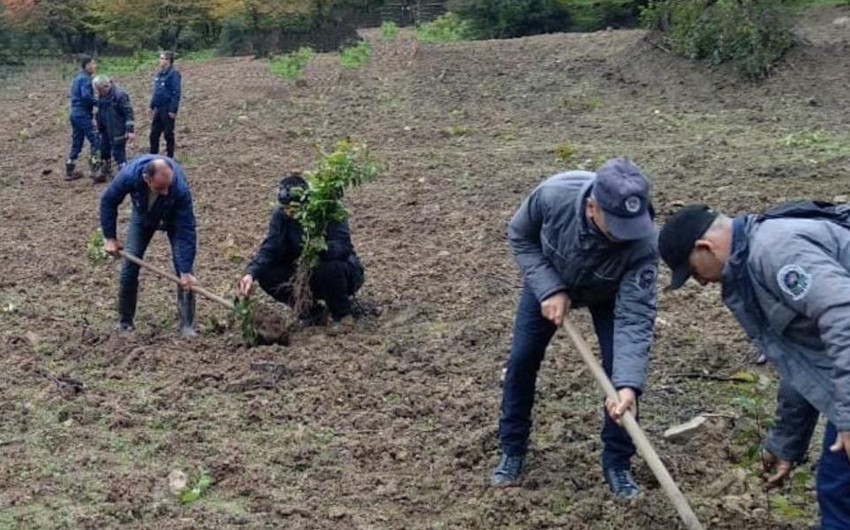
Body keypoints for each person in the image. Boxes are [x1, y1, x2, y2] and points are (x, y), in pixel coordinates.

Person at [658, 201, 850, 530]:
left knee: (840, 490)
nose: (701, 283)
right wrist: (787, 443)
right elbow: (802, 362)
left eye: (693, 272)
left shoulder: (775, 251)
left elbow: (844, 315)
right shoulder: (751, 269)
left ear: (704, 247)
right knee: (838, 489)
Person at [492, 158, 659, 499]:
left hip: (611, 296)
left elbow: (636, 316)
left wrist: (628, 384)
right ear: (591, 207)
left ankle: (618, 463)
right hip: (549, 277)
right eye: (616, 227)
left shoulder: (644, 242)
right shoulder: (553, 195)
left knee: (621, 379)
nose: (624, 237)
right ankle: (512, 448)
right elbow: (520, 236)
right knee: (522, 360)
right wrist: (549, 288)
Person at [236, 174, 365, 332]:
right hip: (305, 275)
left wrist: (321, 247)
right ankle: (312, 313)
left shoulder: (329, 210)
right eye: (285, 208)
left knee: (328, 266)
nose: (289, 212)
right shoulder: (281, 216)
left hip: (341, 275)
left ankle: (343, 315)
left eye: (293, 208)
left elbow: (343, 247)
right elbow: (270, 248)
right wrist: (251, 273)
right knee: (267, 273)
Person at [100, 155, 198, 337]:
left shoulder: (179, 189)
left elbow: (187, 229)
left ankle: (187, 325)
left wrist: (185, 271)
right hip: (143, 215)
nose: (166, 192)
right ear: (147, 179)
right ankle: (125, 322)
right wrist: (110, 237)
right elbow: (108, 201)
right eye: (161, 188)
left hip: (174, 217)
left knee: (185, 272)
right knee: (130, 266)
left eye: (168, 186)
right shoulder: (129, 175)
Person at [93, 75, 135, 183]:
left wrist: (130, 130)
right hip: (105, 129)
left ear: (106, 86)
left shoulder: (119, 95)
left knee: (118, 152)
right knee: (104, 150)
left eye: (99, 90)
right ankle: (104, 171)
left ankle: (124, 174)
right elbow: (100, 111)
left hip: (118, 130)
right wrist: (98, 123)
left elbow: (128, 113)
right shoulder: (102, 96)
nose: (98, 93)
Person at [66, 55, 101, 181]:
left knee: (77, 141)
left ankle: (70, 167)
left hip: (74, 113)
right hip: (83, 114)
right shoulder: (86, 79)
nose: (95, 66)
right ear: (87, 65)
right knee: (95, 140)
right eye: (93, 63)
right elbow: (86, 96)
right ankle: (96, 169)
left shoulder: (77, 78)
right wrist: (99, 102)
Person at [149, 51, 181, 158]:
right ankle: (153, 156)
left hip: (167, 108)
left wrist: (173, 110)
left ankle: (170, 156)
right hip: (158, 108)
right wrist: (152, 106)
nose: (160, 60)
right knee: (154, 134)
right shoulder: (159, 74)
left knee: (168, 134)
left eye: (162, 58)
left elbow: (176, 92)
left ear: (168, 61)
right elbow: (156, 91)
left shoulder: (173, 74)